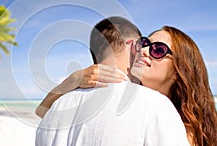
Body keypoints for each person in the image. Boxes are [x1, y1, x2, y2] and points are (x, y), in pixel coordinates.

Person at [36, 24, 217, 146]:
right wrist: (73, 80)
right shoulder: (153, 107)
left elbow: (43, 112)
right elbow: (41, 111)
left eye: (158, 50)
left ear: (179, 71)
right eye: (144, 43)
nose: (144, 51)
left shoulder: (184, 125)